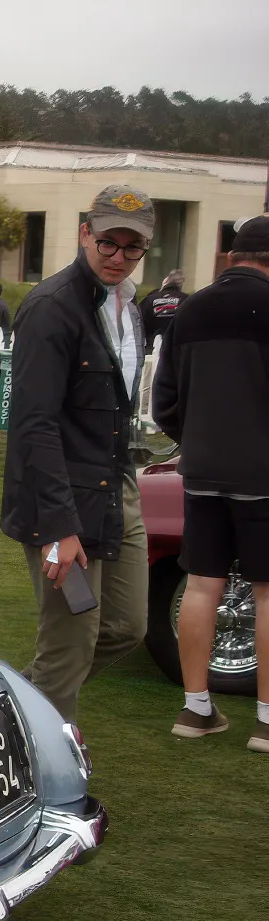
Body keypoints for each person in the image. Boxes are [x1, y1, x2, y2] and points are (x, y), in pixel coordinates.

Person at [2, 185, 158, 725]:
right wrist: (58, 525)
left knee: (125, 628)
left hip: (116, 486)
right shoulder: (51, 307)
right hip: (62, 497)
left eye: (131, 246)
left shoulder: (129, 306)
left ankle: (23, 708)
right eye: (108, 242)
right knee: (70, 643)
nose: (117, 256)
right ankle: (49, 770)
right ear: (84, 233)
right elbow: (33, 423)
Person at [152, 214, 269, 751]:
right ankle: (266, 721)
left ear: (232, 257)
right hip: (263, 472)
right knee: (267, 593)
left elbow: (165, 402)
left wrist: (196, 439)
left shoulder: (190, 309)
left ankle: (196, 708)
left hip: (200, 469)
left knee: (202, 584)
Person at [140, 269, 185, 352]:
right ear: (181, 285)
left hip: (151, 351)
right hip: (177, 351)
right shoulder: (186, 300)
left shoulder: (149, 300)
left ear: (166, 281)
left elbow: (138, 323)